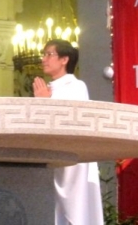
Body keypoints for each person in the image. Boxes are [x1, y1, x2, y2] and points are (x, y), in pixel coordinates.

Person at [32, 39, 103, 225]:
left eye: (49, 54)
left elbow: (71, 122)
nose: (43, 59)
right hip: (52, 158)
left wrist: (45, 102)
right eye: (44, 54)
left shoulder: (76, 86)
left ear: (64, 60)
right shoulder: (49, 89)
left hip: (73, 161)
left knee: (75, 211)